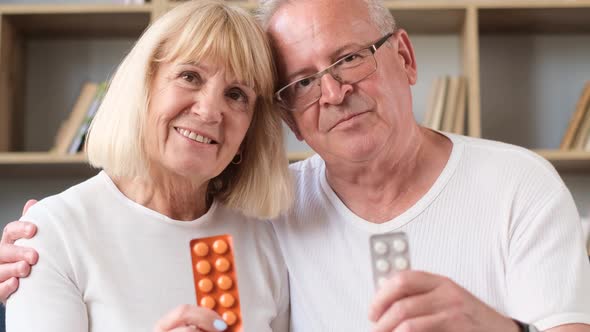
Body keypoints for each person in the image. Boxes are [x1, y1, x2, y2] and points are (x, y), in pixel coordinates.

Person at [2, 0, 590, 331]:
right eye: (303, 81)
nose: (332, 94)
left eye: (350, 59)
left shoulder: (519, 184)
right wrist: (50, 233)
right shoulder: (275, 210)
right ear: (284, 114)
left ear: (405, 57)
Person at [0, 1, 293, 331]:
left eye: (237, 94)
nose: (210, 111)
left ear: (249, 131)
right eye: (189, 76)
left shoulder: (267, 238)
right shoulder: (54, 232)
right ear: (143, 87)